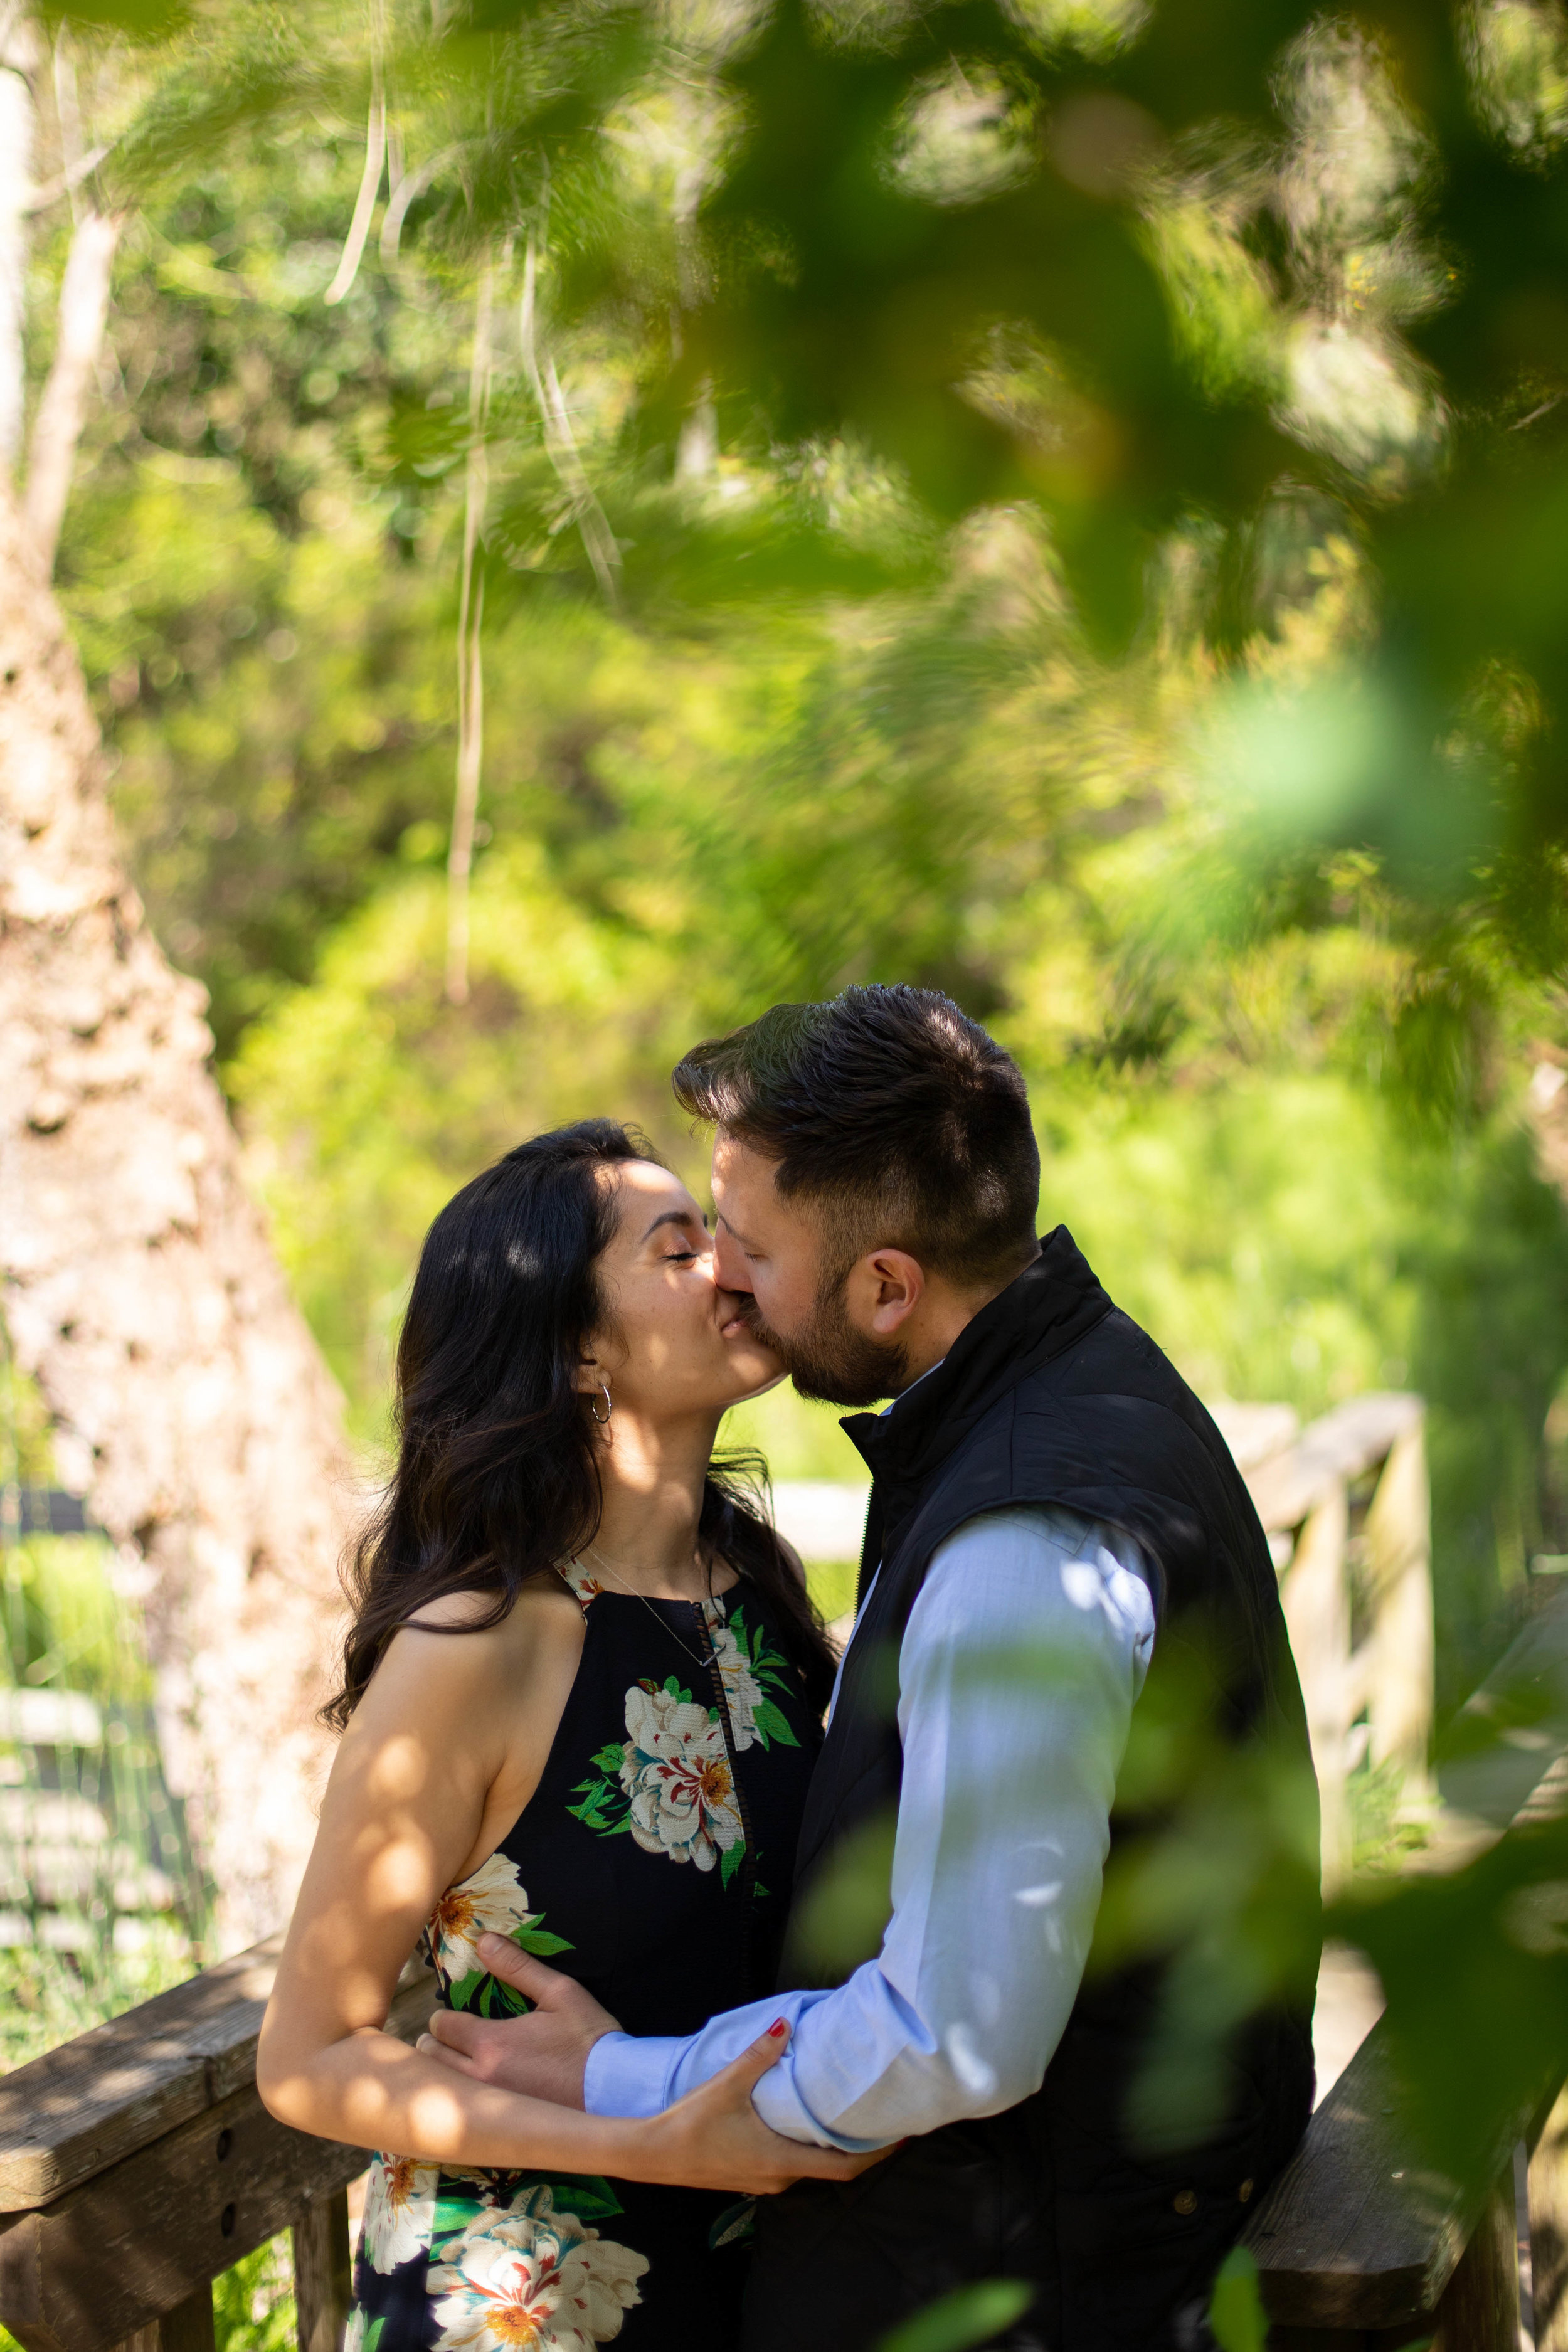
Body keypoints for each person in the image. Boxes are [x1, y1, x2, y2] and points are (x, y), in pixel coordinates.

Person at [418, 985, 1323, 2352]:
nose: (725, 1271)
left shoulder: (1020, 1543)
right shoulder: (1070, 1387)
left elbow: (953, 2034)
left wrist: (617, 2077)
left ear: (885, 1285)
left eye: (748, 1243)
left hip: (1037, 2294)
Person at [256, 1120, 881, 2352]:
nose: (734, 1262)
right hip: (518, 2305)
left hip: (750, 2285)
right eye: (678, 1249)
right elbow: (309, 2055)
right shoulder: (480, 1645)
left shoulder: (749, 1593)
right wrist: (635, 2139)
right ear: (579, 1348)